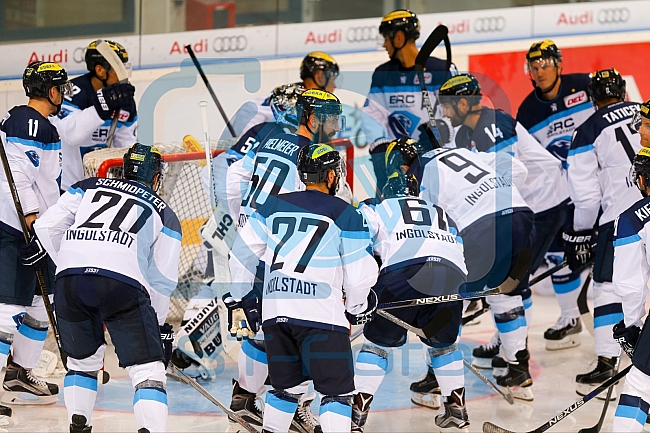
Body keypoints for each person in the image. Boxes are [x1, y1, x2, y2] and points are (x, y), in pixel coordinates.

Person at [228, 143, 378, 433]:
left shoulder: (272, 205)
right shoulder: (346, 213)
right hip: (321, 316)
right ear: (332, 176)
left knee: (286, 389)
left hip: (276, 315)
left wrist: (240, 297)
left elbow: (241, 253)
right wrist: (357, 308)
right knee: (335, 393)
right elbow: (360, 277)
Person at [221, 89, 345, 433]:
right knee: (307, 326)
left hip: (254, 244)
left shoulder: (270, 140)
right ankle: (297, 405)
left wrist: (244, 219)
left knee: (265, 328)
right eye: (329, 119)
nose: (334, 127)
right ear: (311, 118)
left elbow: (234, 178)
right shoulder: (317, 158)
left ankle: (244, 398)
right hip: (284, 251)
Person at [33, 143, 181, 433]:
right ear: (156, 178)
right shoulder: (164, 212)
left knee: (81, 362)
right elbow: (162, 278)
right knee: (148, 370)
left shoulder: (88, 185)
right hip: (120, 284)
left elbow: (46, 226)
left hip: (70, 281)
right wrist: (158, 326)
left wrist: (69, 261)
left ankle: (79, 424)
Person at [438, 73, 570, 361]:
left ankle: (515, 350)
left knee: (515, 282)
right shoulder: (466, 133)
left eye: (447, 106)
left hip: (546, 202)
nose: (445, 113)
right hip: (527, 206)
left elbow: (506, 178)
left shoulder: (494, 123)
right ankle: (508, 342)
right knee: (510, 282)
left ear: (463, 103)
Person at [351, 140, 469, 431]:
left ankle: (357, 415)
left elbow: (356, 246)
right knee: (444, 346)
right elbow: (460, 250)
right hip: (453, 277)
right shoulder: (441, 212)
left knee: (376, 346)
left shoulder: (375, 207)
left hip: (403, 276)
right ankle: (456, 410)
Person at [409, 139, 535, 401]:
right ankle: (518, 369)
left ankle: (436, 377)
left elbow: (429, 224)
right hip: (521, 216)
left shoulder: (420, 169)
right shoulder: (466, 151)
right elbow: (519, 169)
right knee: (506, 294)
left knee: (450, 300)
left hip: (481, 227)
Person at [0, 61, 72, 415]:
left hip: (37, 230)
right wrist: (30, 220)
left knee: (41, 303)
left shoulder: (42, 125)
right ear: (49, 90)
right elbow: (17, 175)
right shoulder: (28, 122)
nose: (64, 92)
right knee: (7, 310)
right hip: (16, 229)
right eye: (60, 86)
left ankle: (18, 373)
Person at [566, 69, 642, 400]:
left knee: (608, 287)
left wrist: (581, 234)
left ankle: (607, 361)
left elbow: (585, 198)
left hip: (622, 220)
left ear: (592, 98)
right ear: (623, 92)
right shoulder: (644, 110)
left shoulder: (588, 129)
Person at [516, 39, 595, 350]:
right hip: (560, 196)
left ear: (559, 65)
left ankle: (622, 328)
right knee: (557, 254)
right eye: (534, 67)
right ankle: (570, 317)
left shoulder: (584, 86)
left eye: (545, 64)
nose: (540, 70)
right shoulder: (527, 110)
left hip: (596, 188)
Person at [363, 9, 456, 194]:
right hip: (399, 164)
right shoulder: (383, 74)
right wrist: (382, 148)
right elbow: (372, 116)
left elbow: (459, 111)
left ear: (398, 38)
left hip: (439, 160)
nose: (384, 45)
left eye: (386, 38)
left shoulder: (441, 69)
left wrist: (443, 129)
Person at [50, 40, 137, 191]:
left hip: (98, 186)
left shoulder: (124, 101)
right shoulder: (71, 92)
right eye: (119, 68)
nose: (124, 74)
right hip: (64, 187)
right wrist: (101, 108)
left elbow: (125, 145)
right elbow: (71, 135)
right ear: (100, 70)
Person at [610, 141, 650, 433]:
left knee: (639, 386)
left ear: (640, 179)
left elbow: (630, 286)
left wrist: (631, 327)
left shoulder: (632, 219)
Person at [229, 52, 338, 136]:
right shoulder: (294, 100)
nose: (334, 86)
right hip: (249, 136)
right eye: (333, 79)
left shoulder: (295, 93)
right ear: (320, 76)